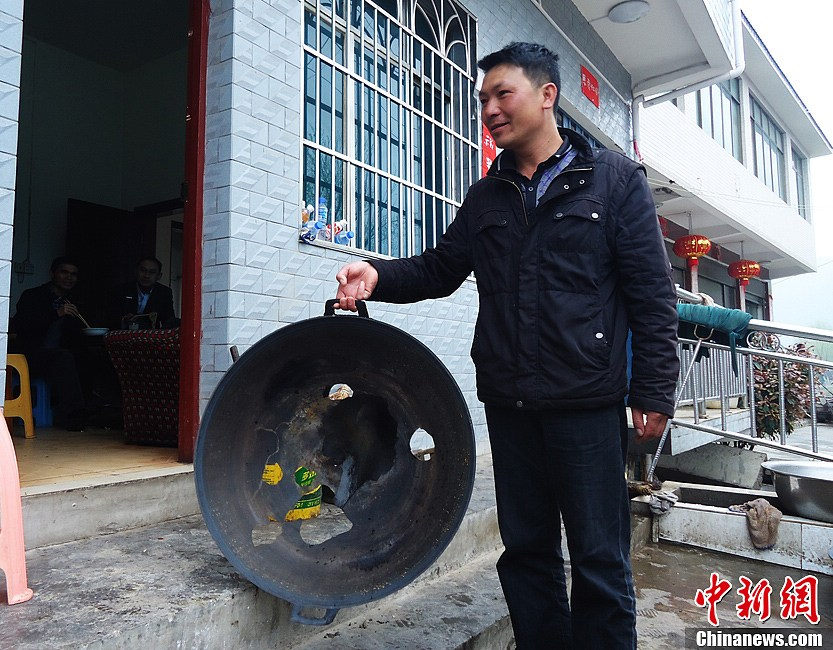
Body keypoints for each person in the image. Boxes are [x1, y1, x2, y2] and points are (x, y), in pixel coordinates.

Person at [334, 43, 679, 649]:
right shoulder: (487, 197)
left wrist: (653, 391)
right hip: (511, 404)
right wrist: (378, 276)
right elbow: (441, 269)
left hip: (588, 404)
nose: (490, 109)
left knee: (600, 557)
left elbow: (652, 298)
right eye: (483, 100)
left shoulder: (614, 181)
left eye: (503, 94)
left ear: (548, 96)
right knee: (526, 552)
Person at [12, 257, 87, 430]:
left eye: (73, 274)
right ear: (53, 273)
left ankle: (86, 412)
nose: (69, 278)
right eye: (64, 272)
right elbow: (25, 326)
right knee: (64, 357)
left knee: (84, 356)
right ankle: (74, 415)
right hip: (31, 354)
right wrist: (56, 313)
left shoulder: (74, 301)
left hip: (59, 354)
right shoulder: (33, 296)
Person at [109, 257, 177, 329]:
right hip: (123, 335)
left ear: (159, 276)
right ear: (136, 271)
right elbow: (111, 316)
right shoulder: (122, 290)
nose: (146, 275)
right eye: (143, 270)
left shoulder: (164, 292)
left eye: (152, 272)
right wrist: (124, 320)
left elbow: (169, 320)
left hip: (150, 336)